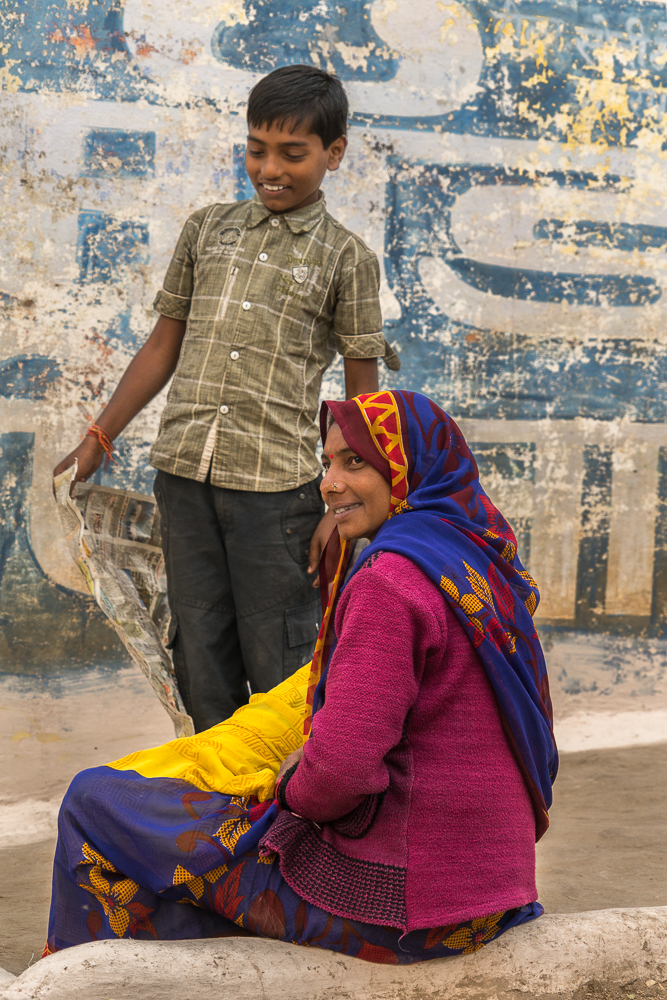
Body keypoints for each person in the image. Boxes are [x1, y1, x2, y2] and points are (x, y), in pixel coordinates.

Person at [45, 390, 558, 965]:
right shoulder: (474, 561)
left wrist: (290, 782)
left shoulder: (391, 582)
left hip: (404, 910)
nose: (329, 484)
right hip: (490, 892)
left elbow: (336, 777)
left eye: (355, 461)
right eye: (327, 463)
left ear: (408, 468)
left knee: (95, 801)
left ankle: (85, 984)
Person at [53, 65, 399, 732]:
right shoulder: (207, 230)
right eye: (256, 149)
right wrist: (100, 436)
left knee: (281, 653)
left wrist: (346, 504)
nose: (270, 169)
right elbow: (163, 346)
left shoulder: (346, 259)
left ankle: (288, 790)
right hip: (183, 478)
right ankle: (218, 786)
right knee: (197, 649)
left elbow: (362, 395)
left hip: (277, 496)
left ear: (333, 153)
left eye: (292, 153)